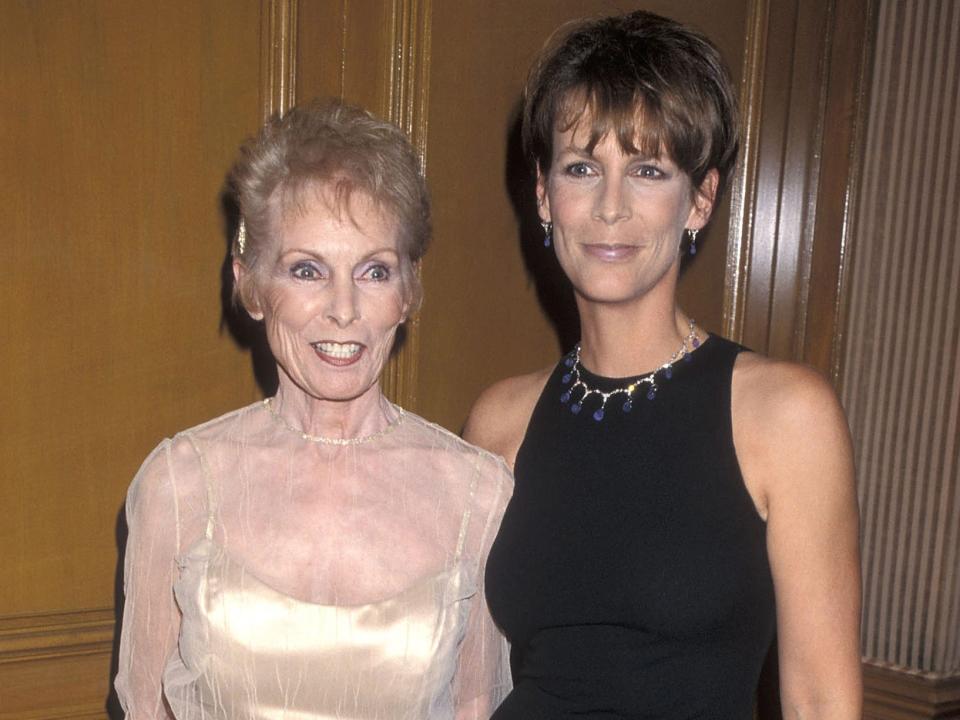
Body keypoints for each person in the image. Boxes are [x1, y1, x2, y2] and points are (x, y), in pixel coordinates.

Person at [465, 10, 861, 719]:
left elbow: (821, 702)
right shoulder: (500, 421)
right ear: (543, 193)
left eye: (648, 170)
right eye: (582, 168)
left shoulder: (783, 414)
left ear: (700, 200)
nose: (609, 209)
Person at [116, 99, 512, 720]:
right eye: (307, 270)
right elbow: (143, 705)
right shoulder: (179, 483)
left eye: (375, 272)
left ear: (408, 292)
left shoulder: (479, 494)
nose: (344, 309)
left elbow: (478, 704)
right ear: (250, 285)